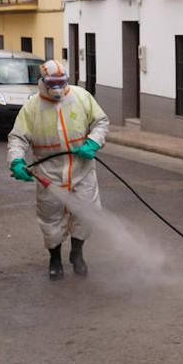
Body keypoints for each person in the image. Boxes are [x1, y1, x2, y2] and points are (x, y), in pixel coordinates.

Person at [7, 59, 110, 279]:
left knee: (86, 214)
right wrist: (16, 161)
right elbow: (18, 137)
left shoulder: (81, 97)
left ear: (67, 81)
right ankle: (55, 259)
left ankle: (77, 253)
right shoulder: (32, 106)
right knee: (50, 218)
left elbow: (101, 121)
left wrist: (93, 141)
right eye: (51, 83)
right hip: (49, 173)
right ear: (43, 81)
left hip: (82, 170)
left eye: (60, 82)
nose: (57, 88)